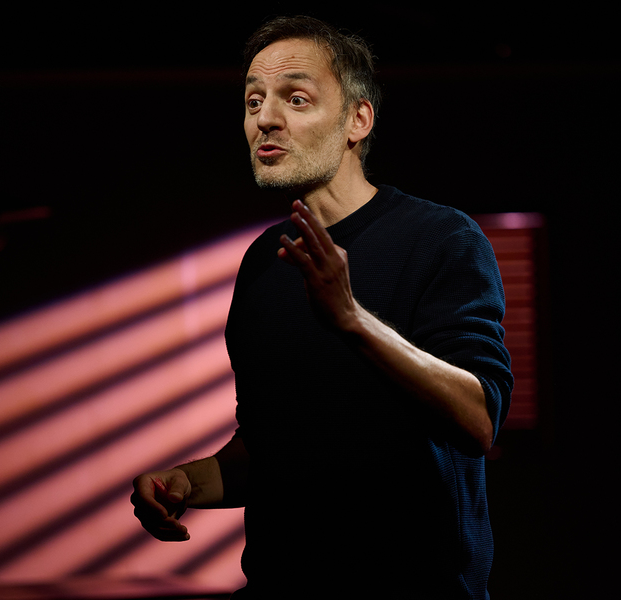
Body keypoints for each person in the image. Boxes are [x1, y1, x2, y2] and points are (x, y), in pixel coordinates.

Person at [131, 15, 513, 599]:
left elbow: (479, 420)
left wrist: (353, 320)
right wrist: (187, 481)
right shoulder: (264, 263)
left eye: (296, 98)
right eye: (253, 101)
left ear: (358, 120)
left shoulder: (441, 238)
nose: (265, 118)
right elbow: (274, 448)